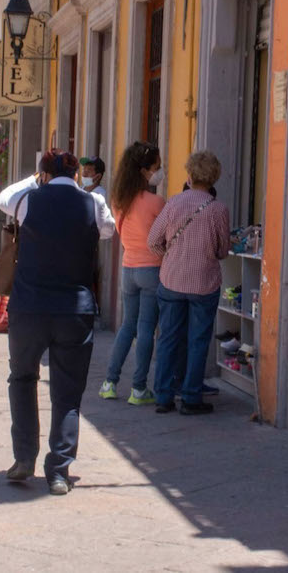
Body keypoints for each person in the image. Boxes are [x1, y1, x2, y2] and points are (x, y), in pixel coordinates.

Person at [5, 150, 116, 495]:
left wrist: (35, 180)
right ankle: (59, 470)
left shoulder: (26, 200)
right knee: (67, 393)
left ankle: (24, 457)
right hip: (74, 309)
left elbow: (2, 198)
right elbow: (109, 231)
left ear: (43, 173)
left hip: (29, 308)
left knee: (23, 379)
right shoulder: (93, 204)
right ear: (76, 173)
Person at [148, 151, 230, 415]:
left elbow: (153, 241)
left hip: (171, 280)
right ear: (214, 177)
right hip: (204, 283)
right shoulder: (218, 209)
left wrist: (171, 256)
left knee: (168, 338)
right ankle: (191, 397)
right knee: (198, 340)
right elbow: (223, 250)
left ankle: (163, 396)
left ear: (190, 174)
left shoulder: (173, 203)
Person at [98, 142, 165, 405]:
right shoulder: (156, 202)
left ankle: (109, 382)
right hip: (152, 269)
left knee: (127, 326)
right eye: (157, 167)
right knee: (147, 328)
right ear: (145, 170)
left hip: (129, 269)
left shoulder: (118, 201)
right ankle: (138, 389)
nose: (160, 172)